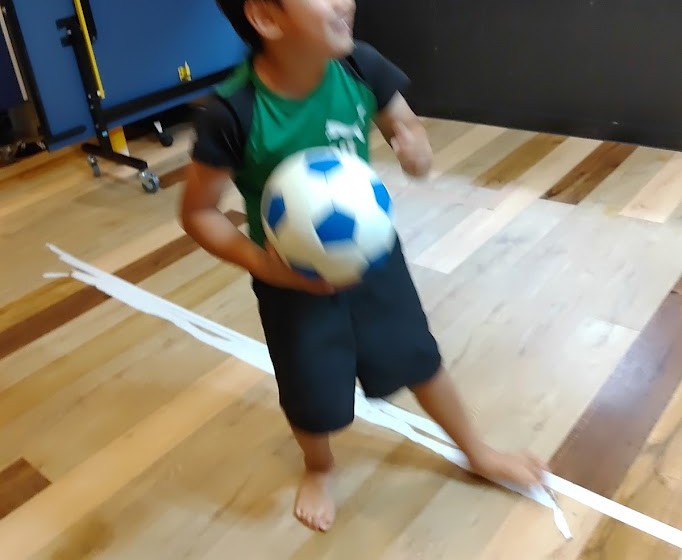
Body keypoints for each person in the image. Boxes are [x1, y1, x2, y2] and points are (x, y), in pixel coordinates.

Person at [180, 0, 547, 533]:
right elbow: (198, 212)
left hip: (374, 253)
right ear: (267, 18)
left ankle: (477, 451)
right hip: (291, 279)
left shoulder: (360, 65)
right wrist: (266, 266)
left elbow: (403, 123)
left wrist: (415, 150)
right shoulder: (232, 111)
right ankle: (319, 466)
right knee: (309, 389)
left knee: (418, 356)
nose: (344, 1)